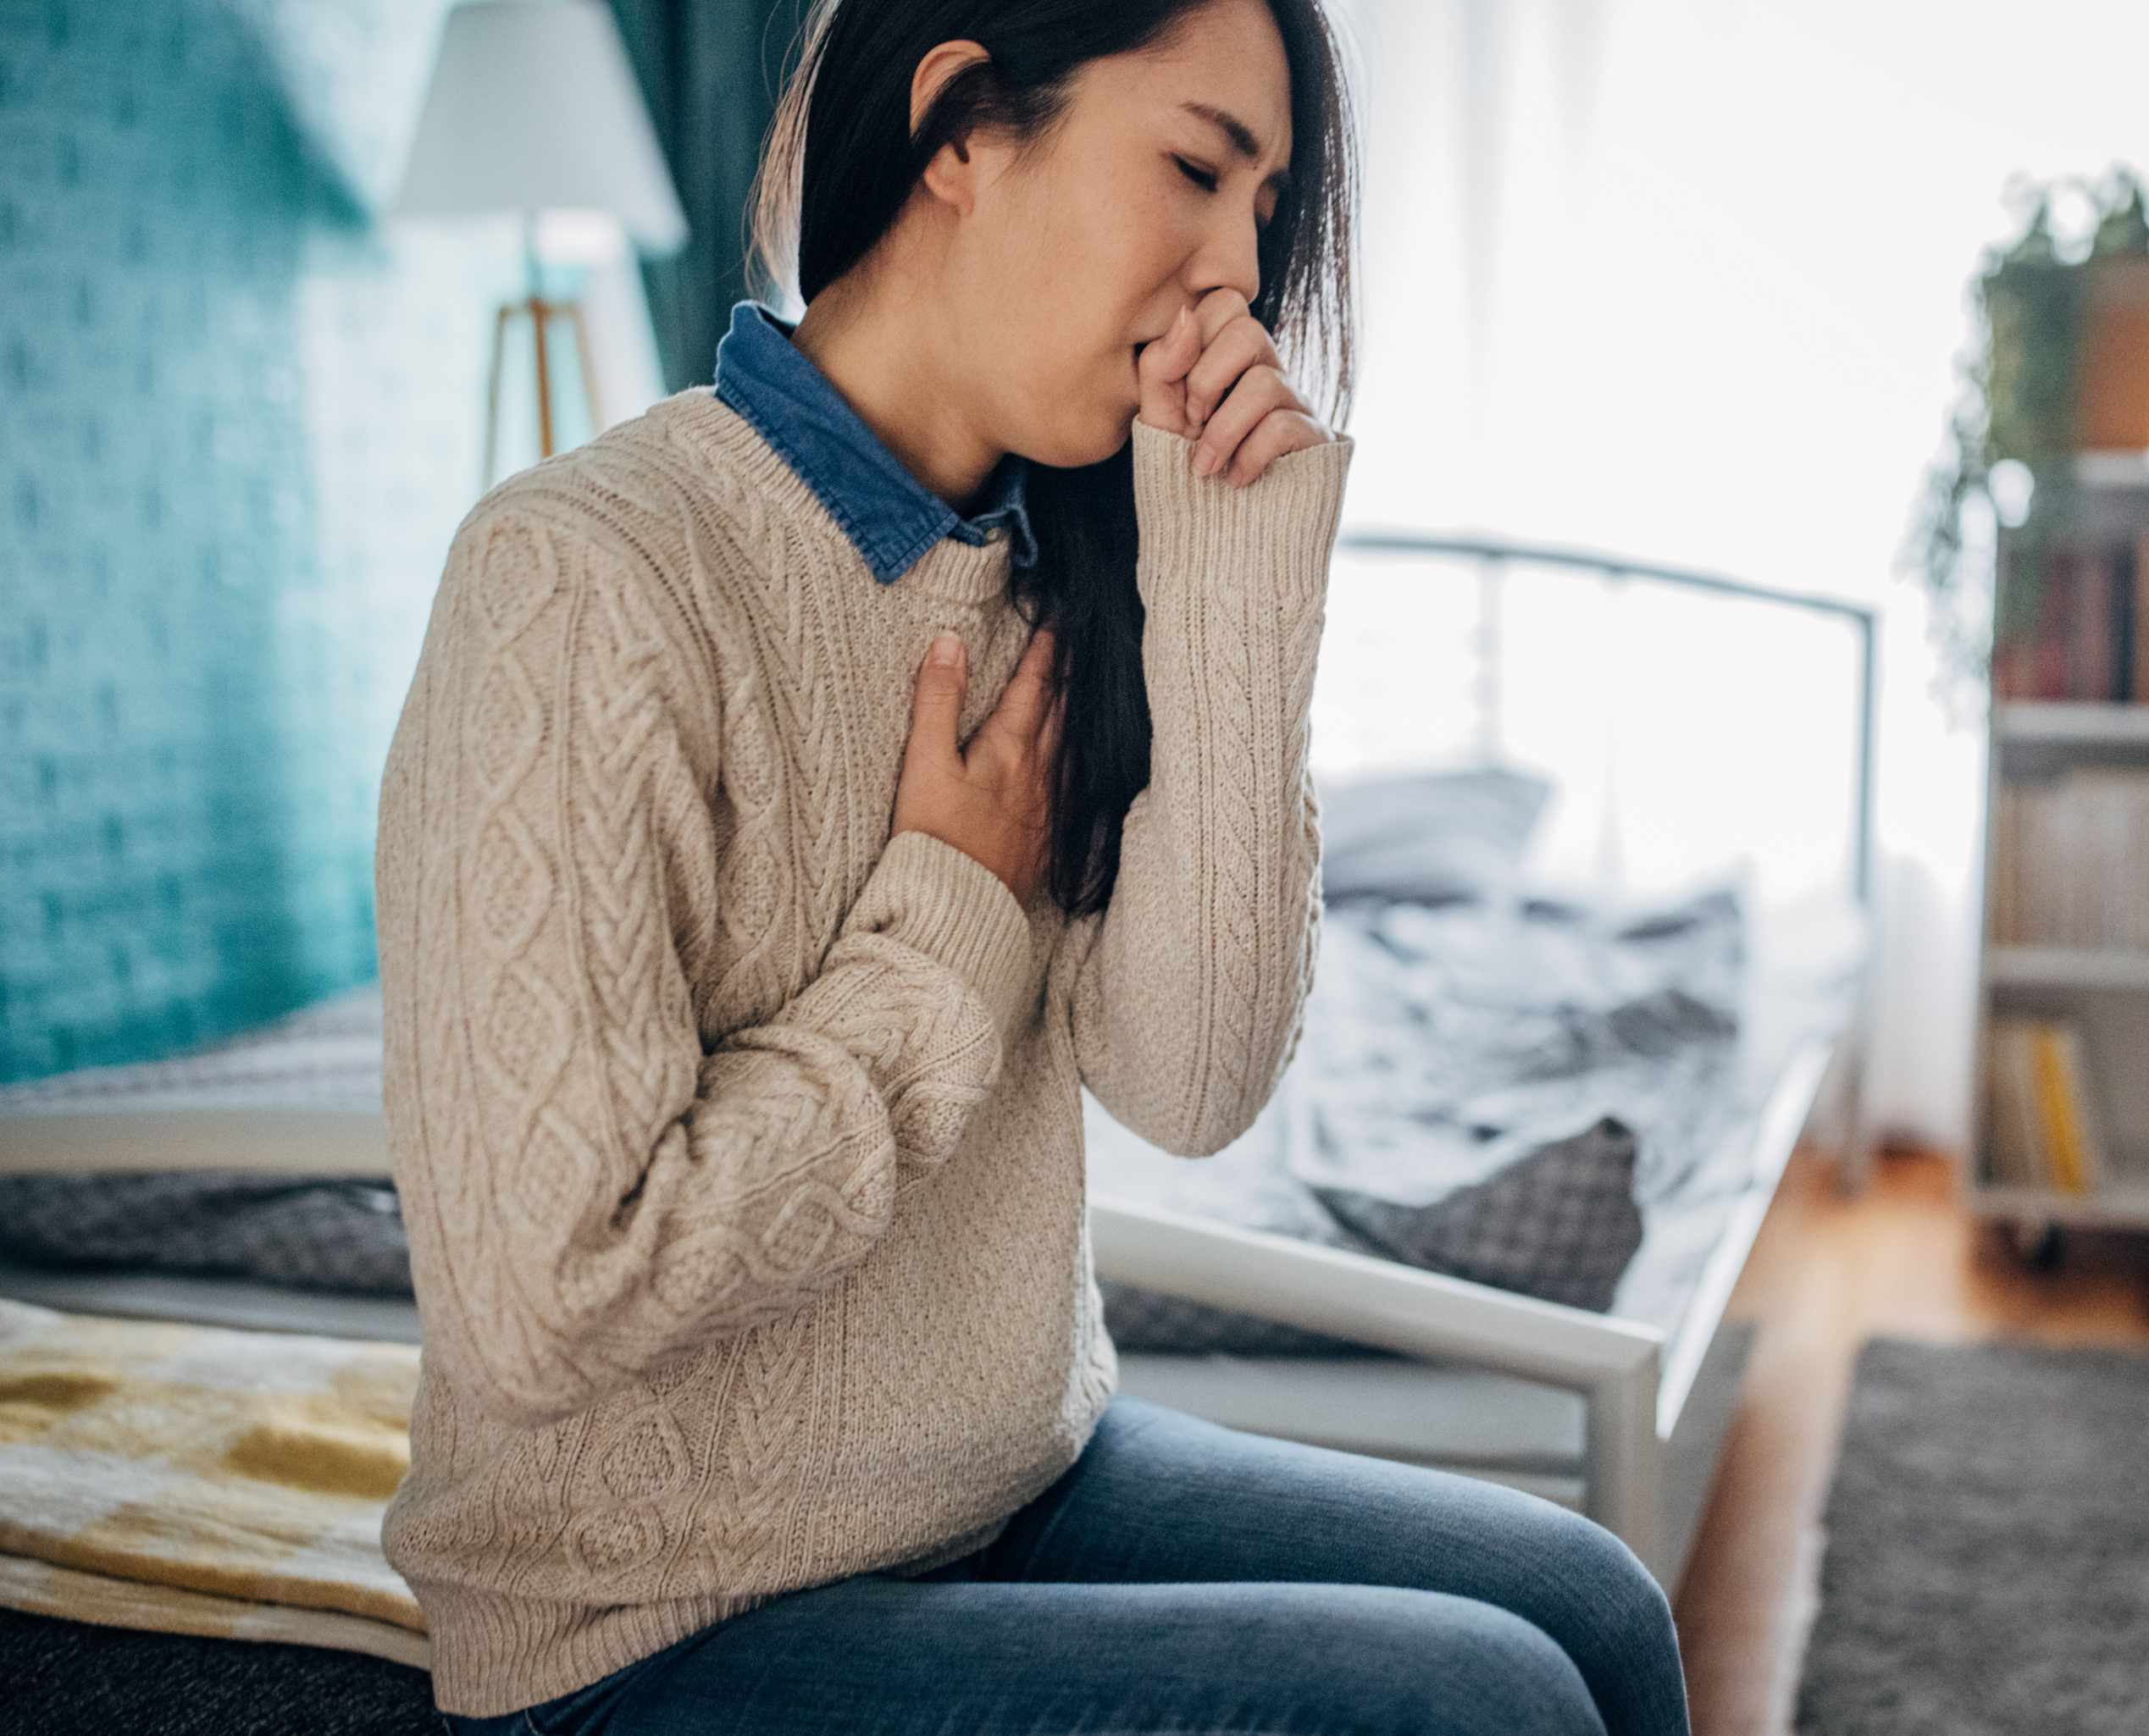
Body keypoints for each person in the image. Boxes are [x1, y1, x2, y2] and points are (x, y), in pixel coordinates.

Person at [375, 1, 1690, 1731]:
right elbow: (547, 1298)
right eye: (1195, 170)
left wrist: (1231, 600)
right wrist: (946, 928)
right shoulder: (581, 576)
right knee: (1478, 1702)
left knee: (1591, 1600)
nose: (1239, 275)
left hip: (1005, 1482)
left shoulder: (1054, 577)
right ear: (962, 126)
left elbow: (1193, 1080)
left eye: (1267, 215)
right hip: (649, 1612)